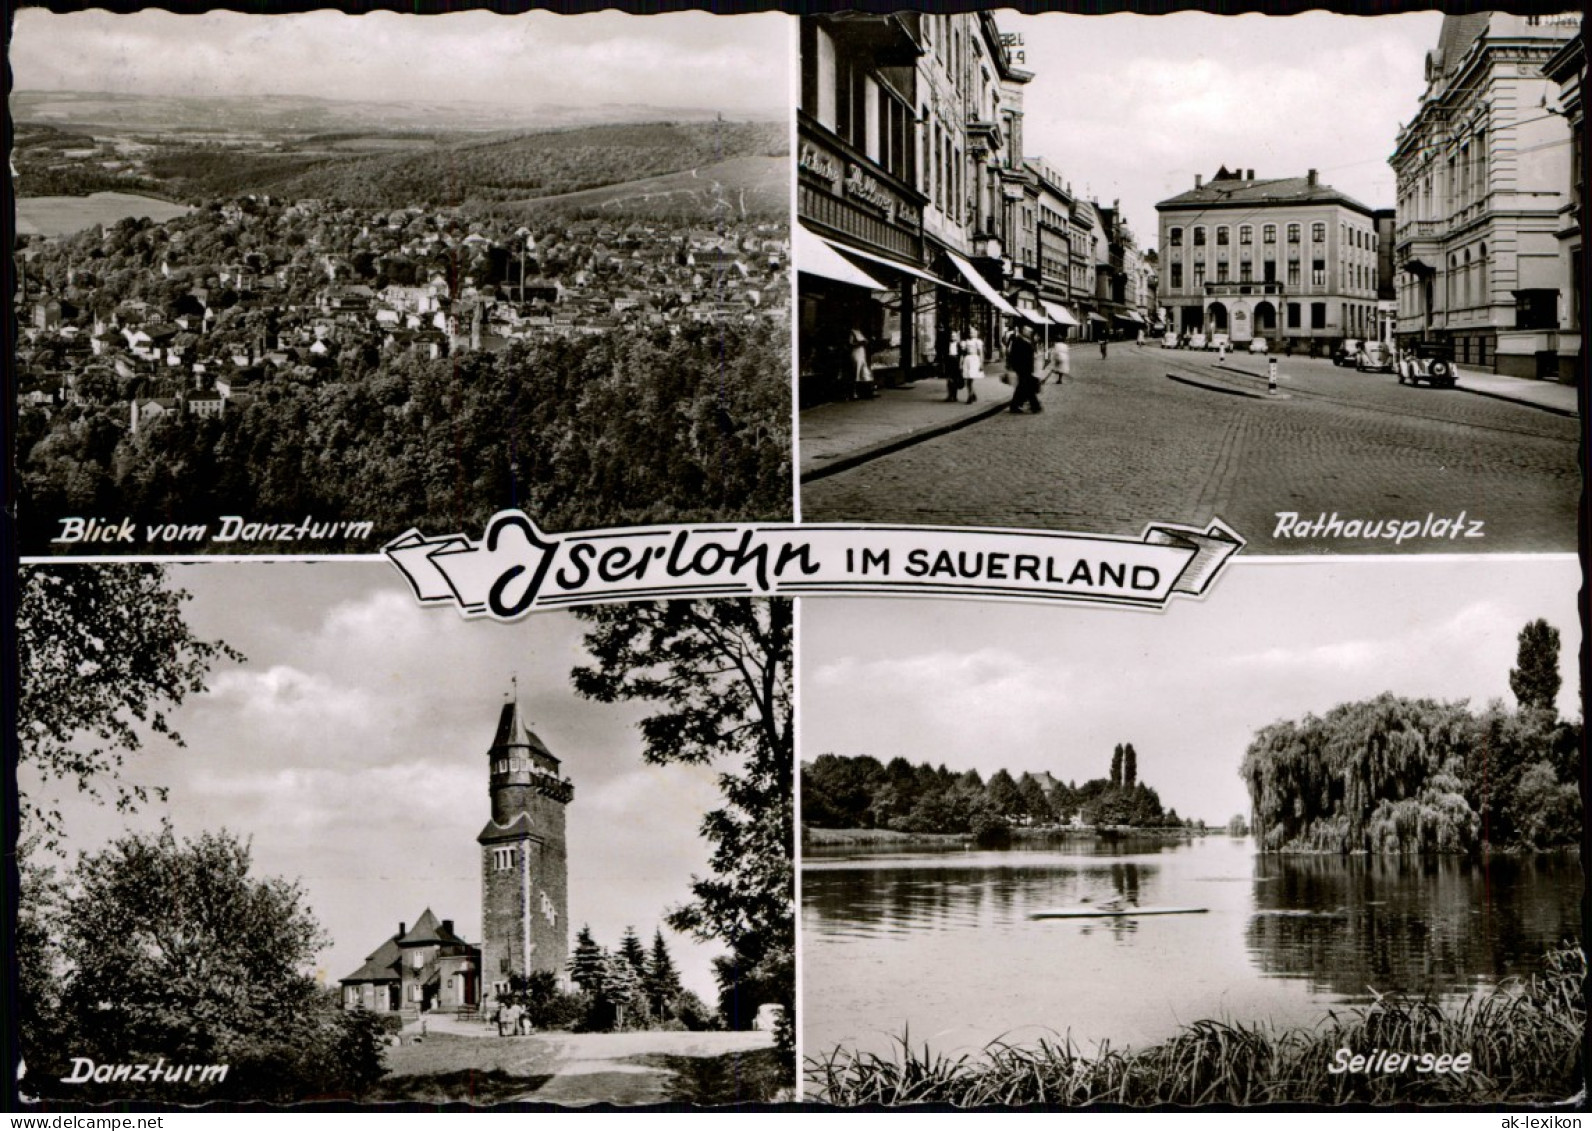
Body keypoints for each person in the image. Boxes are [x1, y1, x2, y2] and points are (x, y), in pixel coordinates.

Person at [1007, 323, 1041, 413]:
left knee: (1023, 387)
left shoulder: (1028, 340)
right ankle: (1035, 406)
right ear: (1023, 331)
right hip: (1022, 368)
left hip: (1027, 368)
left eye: (1030, 331)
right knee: (1026, 387)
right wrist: (1014, 367)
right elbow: (1013, 355)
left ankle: (1015, 406)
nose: (1030, 332)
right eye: (1028, 331)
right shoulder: (1018, 341)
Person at [848, 325, 874, 400]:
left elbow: (865, 342)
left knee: (865, 373)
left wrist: (865, 342)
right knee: (856, 373)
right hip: (856, 353)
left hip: (862, 353)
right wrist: (859, 343)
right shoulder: (852, 332)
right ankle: (854, 393)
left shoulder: (860, 332)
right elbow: (850, 344)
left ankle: (865, 392)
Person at [959, 328, 984, 404]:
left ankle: (970, 396)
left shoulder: (978, 342)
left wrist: (981, 363)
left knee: (971, 380)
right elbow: (963, 354)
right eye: (970, 332)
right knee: (967, 379)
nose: (971, 334)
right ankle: (973, 394)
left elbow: (981, 353)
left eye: (973, 332)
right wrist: (961, 363)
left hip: (974, 360)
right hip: (967, 360)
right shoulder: (965, 342)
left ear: (976, 333)